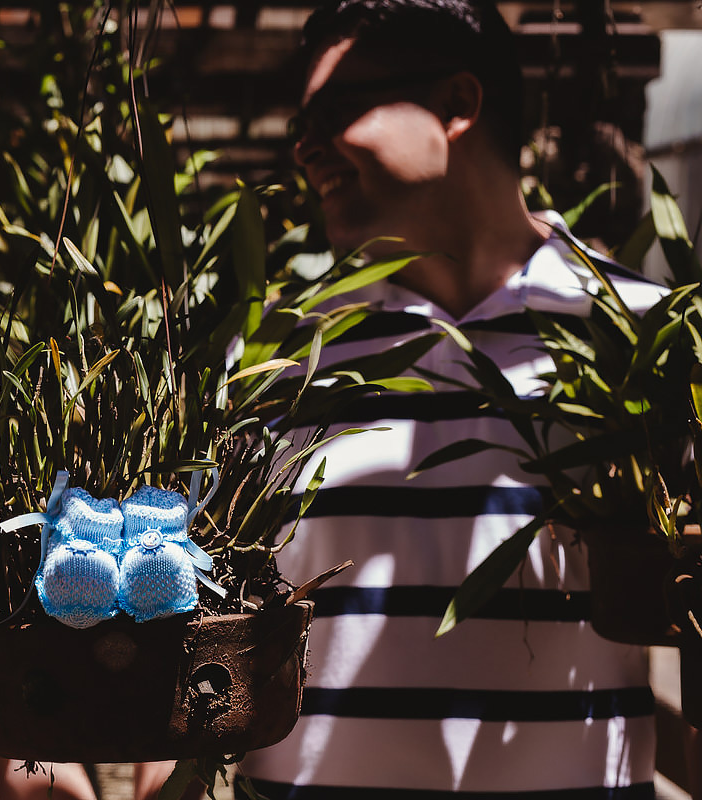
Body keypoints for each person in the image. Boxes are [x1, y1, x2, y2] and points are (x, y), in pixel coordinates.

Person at [234, 0, 675, 796]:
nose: (304, 148)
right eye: (299, 125)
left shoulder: (642, 338)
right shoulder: (271, 358)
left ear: (457, 106)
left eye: (334, 111)